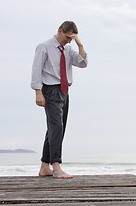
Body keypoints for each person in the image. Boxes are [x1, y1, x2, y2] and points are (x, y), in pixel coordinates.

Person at [31, 21, 88, 178]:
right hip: (50, 90)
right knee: (56, 128)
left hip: (64, 91)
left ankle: (44, 166)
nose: (69, 41)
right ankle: (56, 166)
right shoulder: (44, 46)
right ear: (60, 31)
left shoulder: (68, 49)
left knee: (55, 129)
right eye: (68, 37)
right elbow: (36, 70)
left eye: (72, 39)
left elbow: (83, 63)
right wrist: (38, 92)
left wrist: (79, 44)